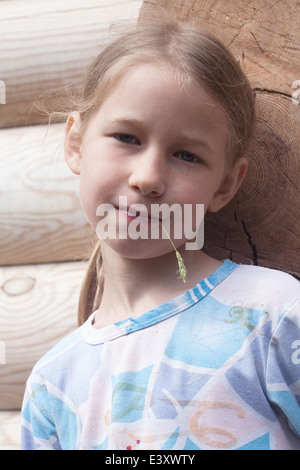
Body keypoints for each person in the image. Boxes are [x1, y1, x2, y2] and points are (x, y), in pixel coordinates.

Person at [21, 20, 300, 450]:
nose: (148, 178)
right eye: (127, 137)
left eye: (186, 155)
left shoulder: (274, 318)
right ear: (76, 143)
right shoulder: (53, 382)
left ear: (226, 184)